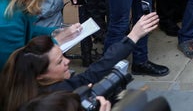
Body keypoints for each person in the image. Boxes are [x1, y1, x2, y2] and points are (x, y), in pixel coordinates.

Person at [0, 14, 159, 111]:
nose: (68, 61)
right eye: (59, 62)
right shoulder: (59, 93)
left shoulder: (16, 89)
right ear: (40, 77)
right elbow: (95, 71)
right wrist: (133, 37)